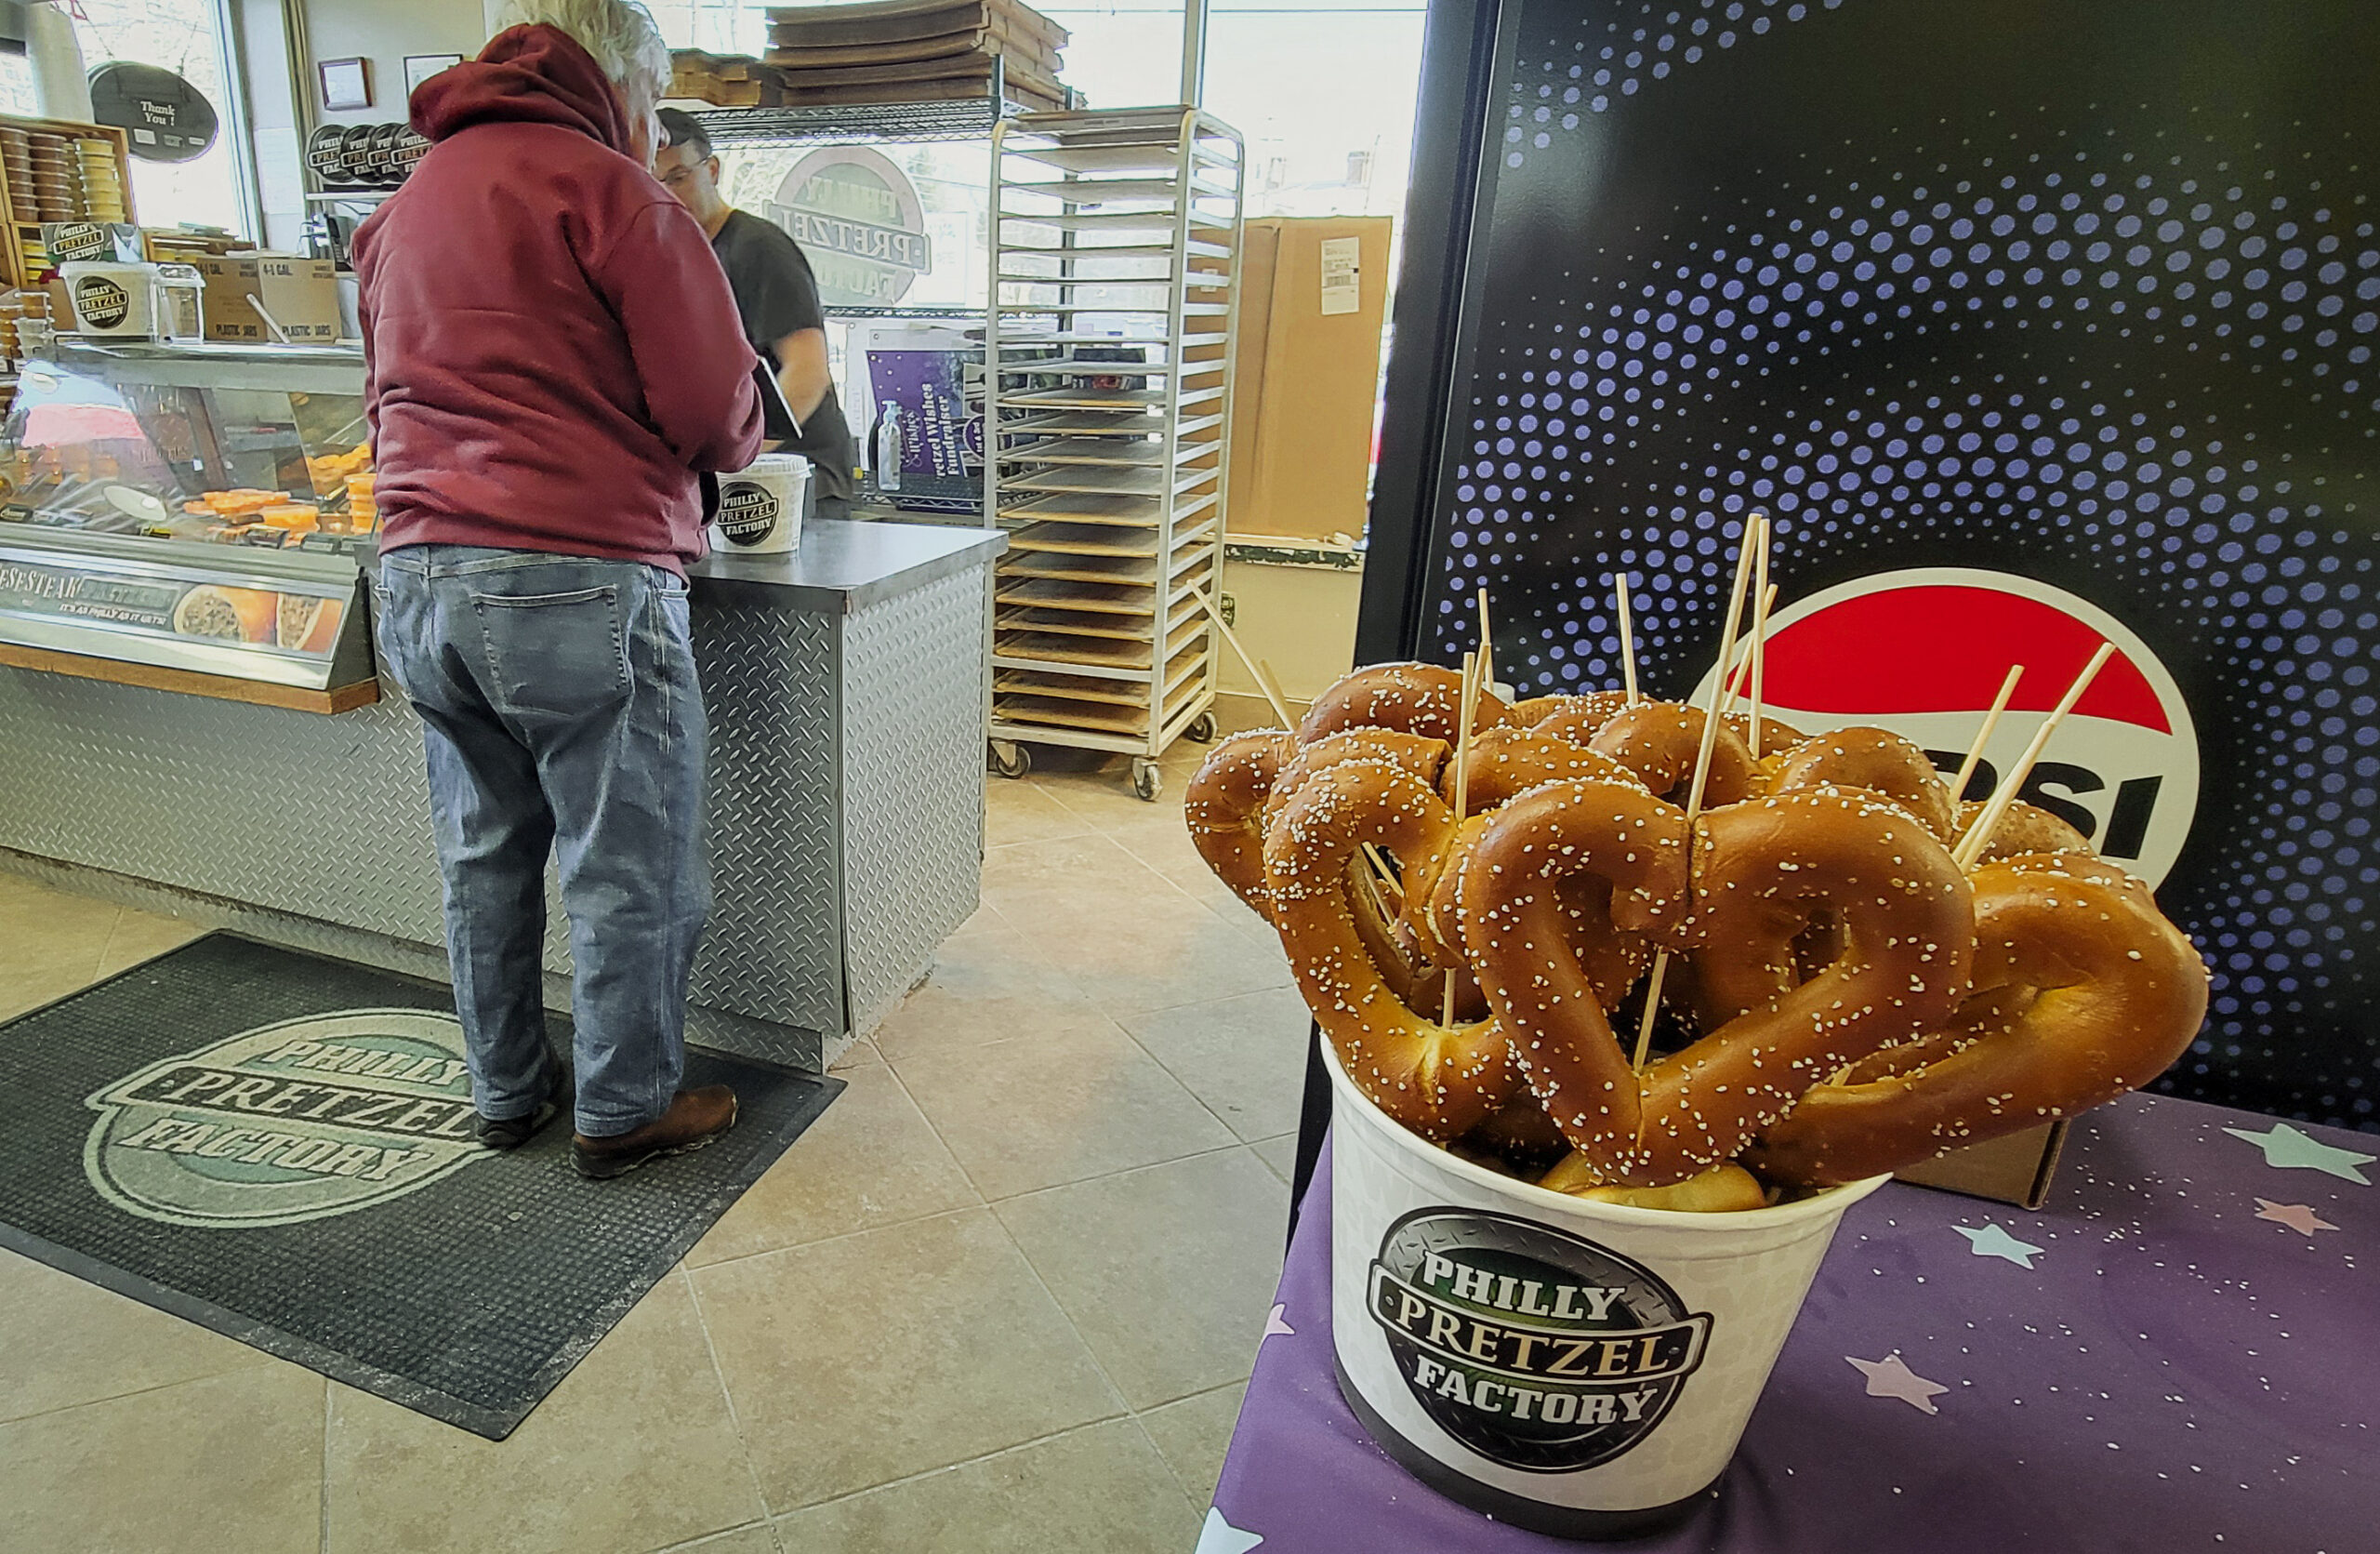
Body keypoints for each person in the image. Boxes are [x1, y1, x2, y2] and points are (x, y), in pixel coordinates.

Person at [352, 0, 764, 1180]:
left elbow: (385, 387)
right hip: (575, 575)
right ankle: (625, 1103)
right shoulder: (614, 191)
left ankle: (505, 1090)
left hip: (419, 575)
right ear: (620, 85)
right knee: (625, 859)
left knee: (481, 856)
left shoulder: (406, 204)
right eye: (654, 95)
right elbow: (714, 415)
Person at [653, 106, 860, 517]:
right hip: (747, 475)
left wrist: (736, 458)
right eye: (654, 182)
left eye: (679, 177)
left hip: (801, 476)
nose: (669, 194)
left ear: (711, 170)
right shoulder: (682, 260)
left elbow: (807, 372)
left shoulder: (757, 249)